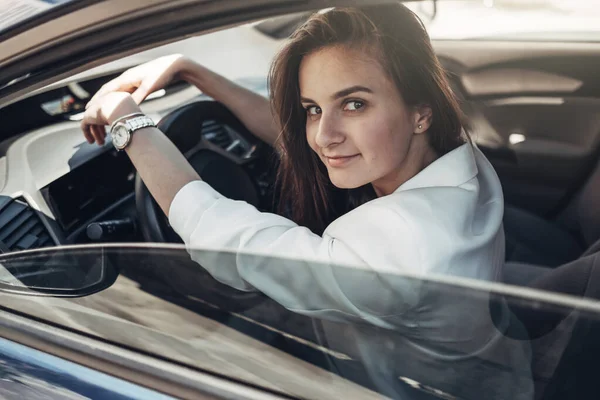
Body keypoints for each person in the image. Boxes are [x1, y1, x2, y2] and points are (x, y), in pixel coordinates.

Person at [82, 4, 532, 398]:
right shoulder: (452, 154)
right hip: (496, 359)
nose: (323, 135)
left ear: (420, 111)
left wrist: (127, 123)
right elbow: (297, 140)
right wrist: (191, 71)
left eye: (354, 104)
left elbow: (225, 238)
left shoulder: (398, 248)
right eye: (313, 108)